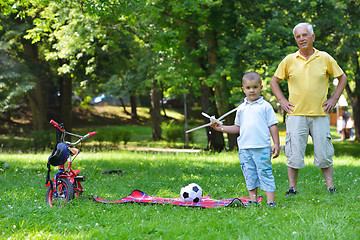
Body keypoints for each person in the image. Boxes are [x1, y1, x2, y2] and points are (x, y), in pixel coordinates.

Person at [270, 22, 348, 196]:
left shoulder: (325, 57)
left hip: (320, 114)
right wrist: (282, 100)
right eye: (298, 36)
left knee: (324, 153)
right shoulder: (289, 60)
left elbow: (343, 77)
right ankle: (292, 188)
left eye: (304, 35)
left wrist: (334, 98)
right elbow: (274, 81)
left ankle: (330, 187)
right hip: (296, 114)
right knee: (294, 154)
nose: (301, 39)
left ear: (313, 37)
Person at [211, 72, 280, 207]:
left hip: (262, 148)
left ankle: (271, 202)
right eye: (248, 88)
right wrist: (221, 128)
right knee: (250, 175)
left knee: (265, 173)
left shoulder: (265, 106)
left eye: (255, 87)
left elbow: (273, 125)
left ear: (261, 87)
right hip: (245, 149)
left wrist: (276, 143)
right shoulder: (241, 108)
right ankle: (253, 201)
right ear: (243, 89)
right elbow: (238, 128)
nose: (252, 90)